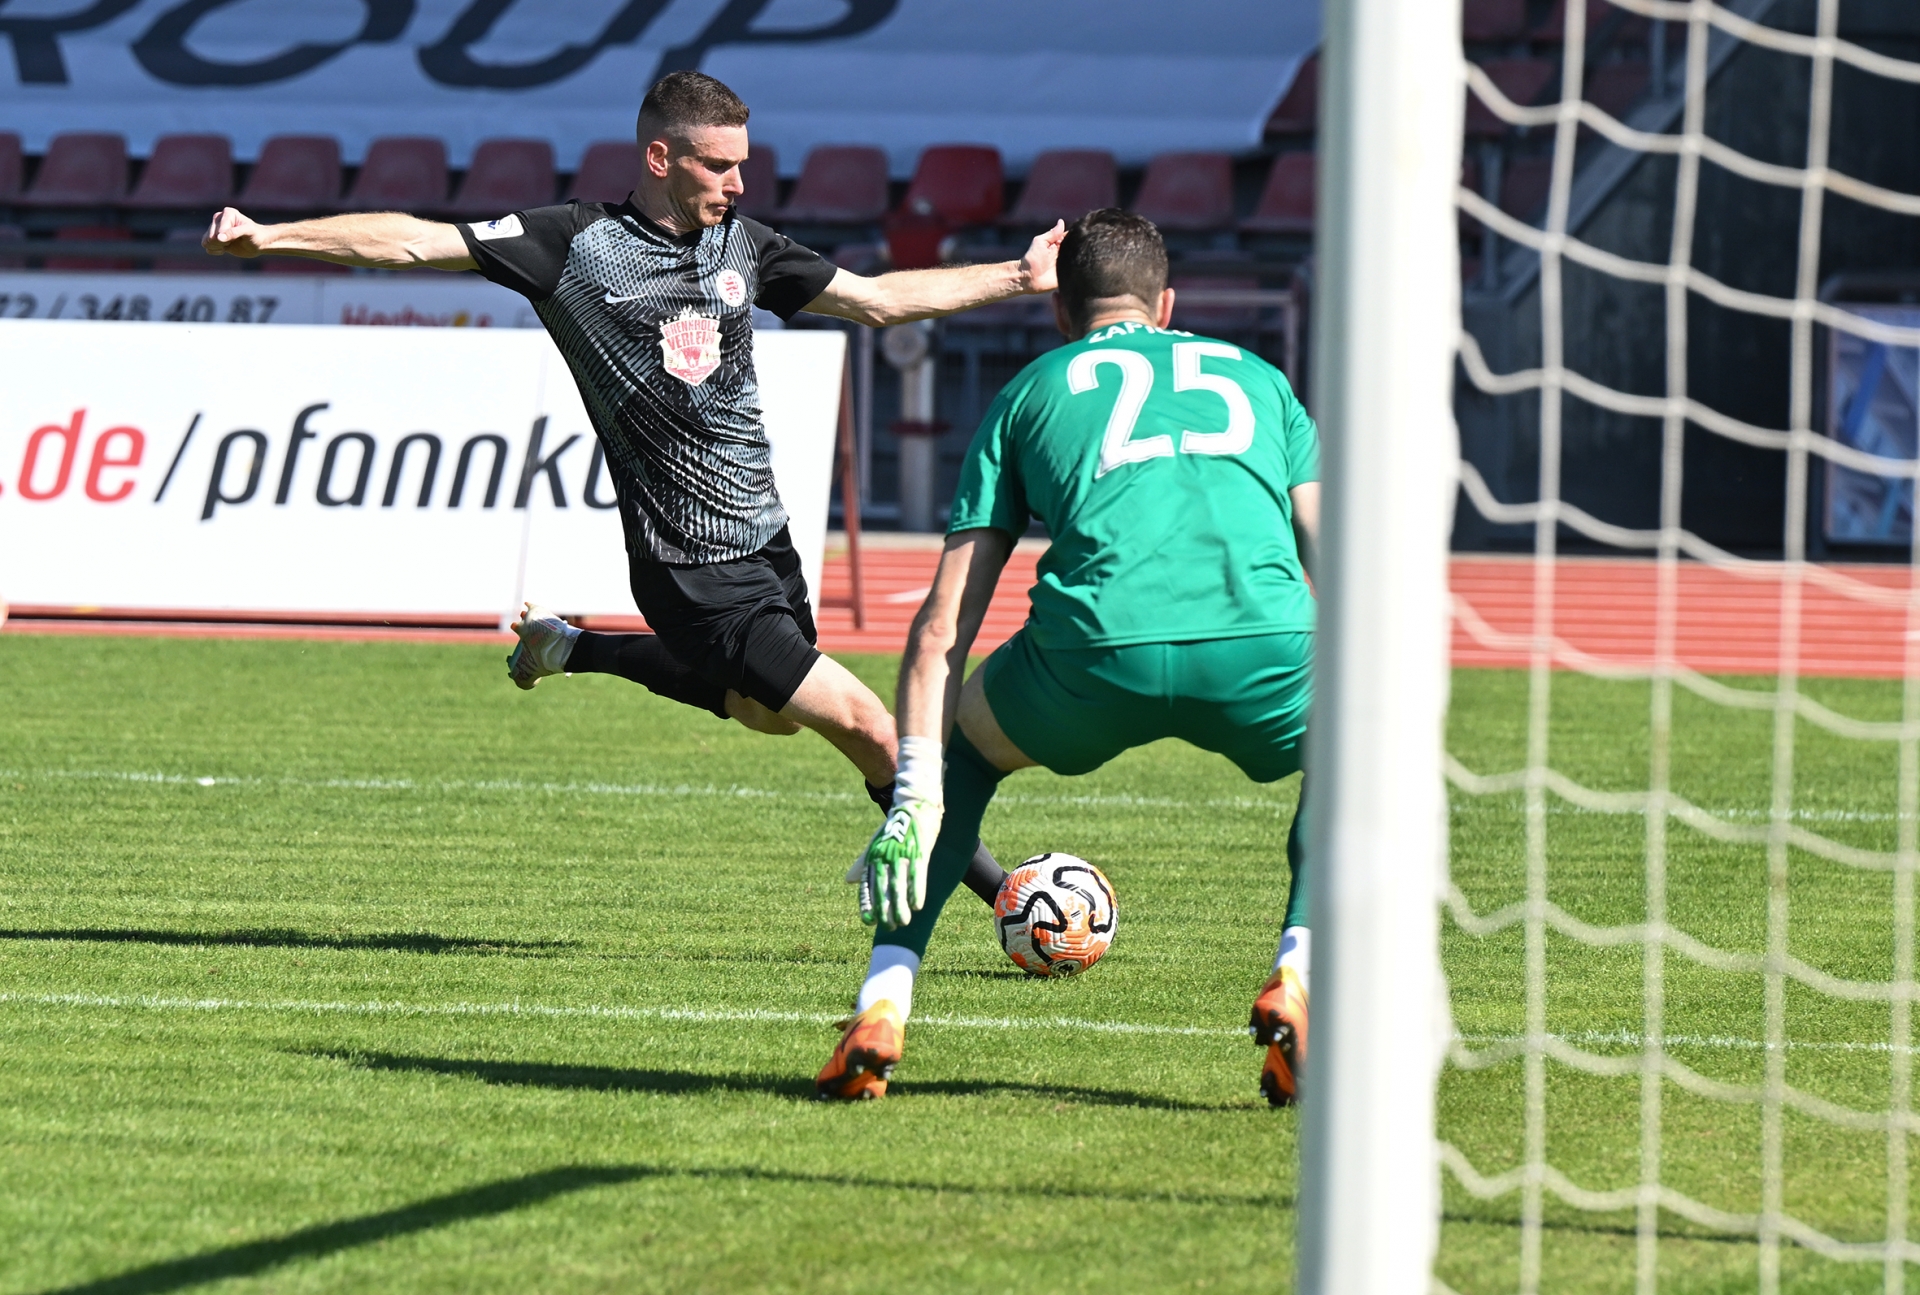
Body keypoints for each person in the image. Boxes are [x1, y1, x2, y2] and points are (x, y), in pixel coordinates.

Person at [200, 70, 1060, 908]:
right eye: (718, 165)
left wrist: (1017, 278)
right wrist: (270, 238)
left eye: (742, 163)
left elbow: (874, 300)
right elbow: (415, 240)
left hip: (767, 542)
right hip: (689, 566)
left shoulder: (745, 245)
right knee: (871, 727)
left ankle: (570, 647)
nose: (739, 181)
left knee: (769, 714)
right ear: (659, 158)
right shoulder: (571, 243)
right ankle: (1011, 898)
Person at [815, 209, 1319, 1105]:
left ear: (1061, 312)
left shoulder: (1030, 391)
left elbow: (942, 625)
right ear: (1167, 305)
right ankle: (1298, 971)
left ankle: (882, 1002)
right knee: (1359, 763)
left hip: (1091, 655)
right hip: (1262, 649)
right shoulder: (1263, 379)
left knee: (965, 758)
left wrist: (915, 794)